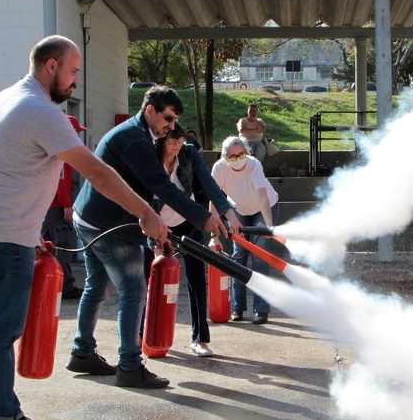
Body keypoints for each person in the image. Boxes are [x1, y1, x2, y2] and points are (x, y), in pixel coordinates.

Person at [0, 35, 167, 420]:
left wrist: (32, 227)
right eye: (73, 71)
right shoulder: (41, 112)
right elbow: (97, 172)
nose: (76, 81)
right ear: (51, 66)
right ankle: (5, 418)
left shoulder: (7, 98)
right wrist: (146, 212)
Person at [68, 86, 239, 386]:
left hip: (90, 217)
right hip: (108, 225)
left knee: (97, 285)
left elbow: (148, 191)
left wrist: (160, 231)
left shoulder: (143, 135)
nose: (172, 126)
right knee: (134, 289)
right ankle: (130, 365)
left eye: (175, 120)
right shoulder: (136, 140)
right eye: (168, 118)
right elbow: (163, 188)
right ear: (149, 111)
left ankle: (82, 352)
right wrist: (204, 218)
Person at [144, 125, 237, 357]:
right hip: (155, 223)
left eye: (180, 140)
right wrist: (152, 239)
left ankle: (200, 339)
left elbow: (209, 185)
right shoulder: (148, 156)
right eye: (171, 140)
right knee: (146, 279)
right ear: (161, 140)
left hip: (188, 220)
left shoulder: (188, 154)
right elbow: (143, 197)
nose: (177, 145)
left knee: (196, 278)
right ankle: (141, 335)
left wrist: (228, 213)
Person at [210, 136, 280, 325]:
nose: (238, 159)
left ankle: (261, 310)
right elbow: (214, 201)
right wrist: (214, 235)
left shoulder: (253, 164)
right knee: (238, 256)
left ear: (246, 152)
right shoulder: (219, 168)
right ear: (225, 157)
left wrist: (268, 228)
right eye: (232, 156)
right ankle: (237, 308)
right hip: (239, 210)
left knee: (259, 256)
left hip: (263, 208)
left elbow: (263, 197)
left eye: (241, 154)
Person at [41, 115, 87, 301]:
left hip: (46, 207)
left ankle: (46, 283)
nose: (77, 135)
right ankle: (65, 286)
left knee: (46, 247)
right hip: (57, 208)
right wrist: (67, 204)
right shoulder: (63, 153)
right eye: (75, 131)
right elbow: (60, 182)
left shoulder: (51, 150)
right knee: (64, 247)